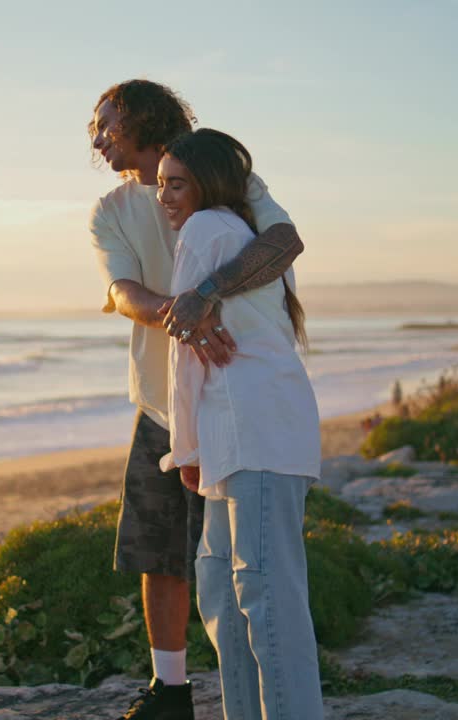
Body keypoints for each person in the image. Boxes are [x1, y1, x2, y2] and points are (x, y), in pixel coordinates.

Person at [88, 79, 304, 720]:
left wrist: (206, 292)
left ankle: (273, 698)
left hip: (234, 399)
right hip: (163, 399)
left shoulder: (217, 174)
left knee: (245, 570)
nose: (98, 140)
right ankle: (171, 691)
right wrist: (179, 311)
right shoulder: (111, 209)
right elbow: (123, 292)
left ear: (145, 119)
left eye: (107, 125)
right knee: (164, 552)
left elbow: (284, 241)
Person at [157, 128, 323, 720]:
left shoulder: (208, 228)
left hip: (254, 431)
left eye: (176, 184)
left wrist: (185, 448)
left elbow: (185, 350)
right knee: (226, 591)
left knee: (265, 598)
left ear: (207, 183)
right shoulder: (244, 229)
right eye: (160, 185)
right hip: (251, 431)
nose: (165, 197)